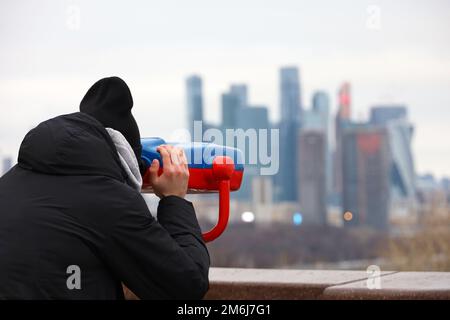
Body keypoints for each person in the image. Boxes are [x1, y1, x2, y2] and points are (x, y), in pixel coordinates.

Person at [0, 77, 210, 299]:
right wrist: (174, 200)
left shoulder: (8, 185)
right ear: (125, 160)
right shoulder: (111, 202)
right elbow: (187, 285)